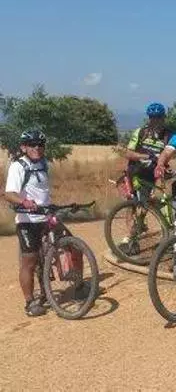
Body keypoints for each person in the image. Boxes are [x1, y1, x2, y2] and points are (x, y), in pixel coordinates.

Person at [5, 130, 87, 317]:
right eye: (32, 144)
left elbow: (42, 192)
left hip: (47, 216)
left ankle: (79, 285)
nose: (37, 148)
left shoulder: (43, 164)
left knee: (75, 247)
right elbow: (9, 194)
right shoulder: (18, 166)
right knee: (30, 261)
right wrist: (24, 202)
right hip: (28, 221)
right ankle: (29, 303)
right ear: (24, 147)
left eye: (40, 145)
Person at [124, 102, 171, 198]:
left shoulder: (168, 135)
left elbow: (173, 154)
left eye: (159, 117)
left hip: (156, 174)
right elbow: (128, 154)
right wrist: (147, 156)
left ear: (163, 118)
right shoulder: (140, 132)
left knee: (159, 199)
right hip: (137, 172)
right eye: (152, 117)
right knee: (139, 201)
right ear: (149, 118)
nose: (155, 120)